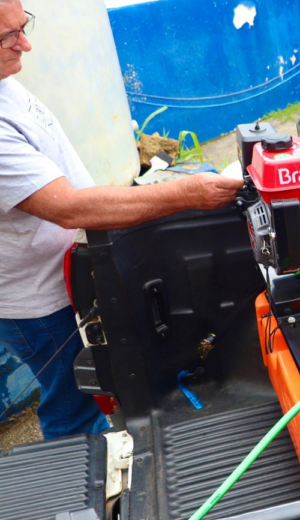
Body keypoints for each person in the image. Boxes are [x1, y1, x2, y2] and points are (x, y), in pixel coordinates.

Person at [0, 0, 244, 439]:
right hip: (36, 301)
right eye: (8, 37)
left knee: (95, 388)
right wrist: (187, 194)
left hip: (68, 274)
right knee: (72, 407)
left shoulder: (5, 79)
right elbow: (68, 208)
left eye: (23, 26)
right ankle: (79, 481)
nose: (26, 44)